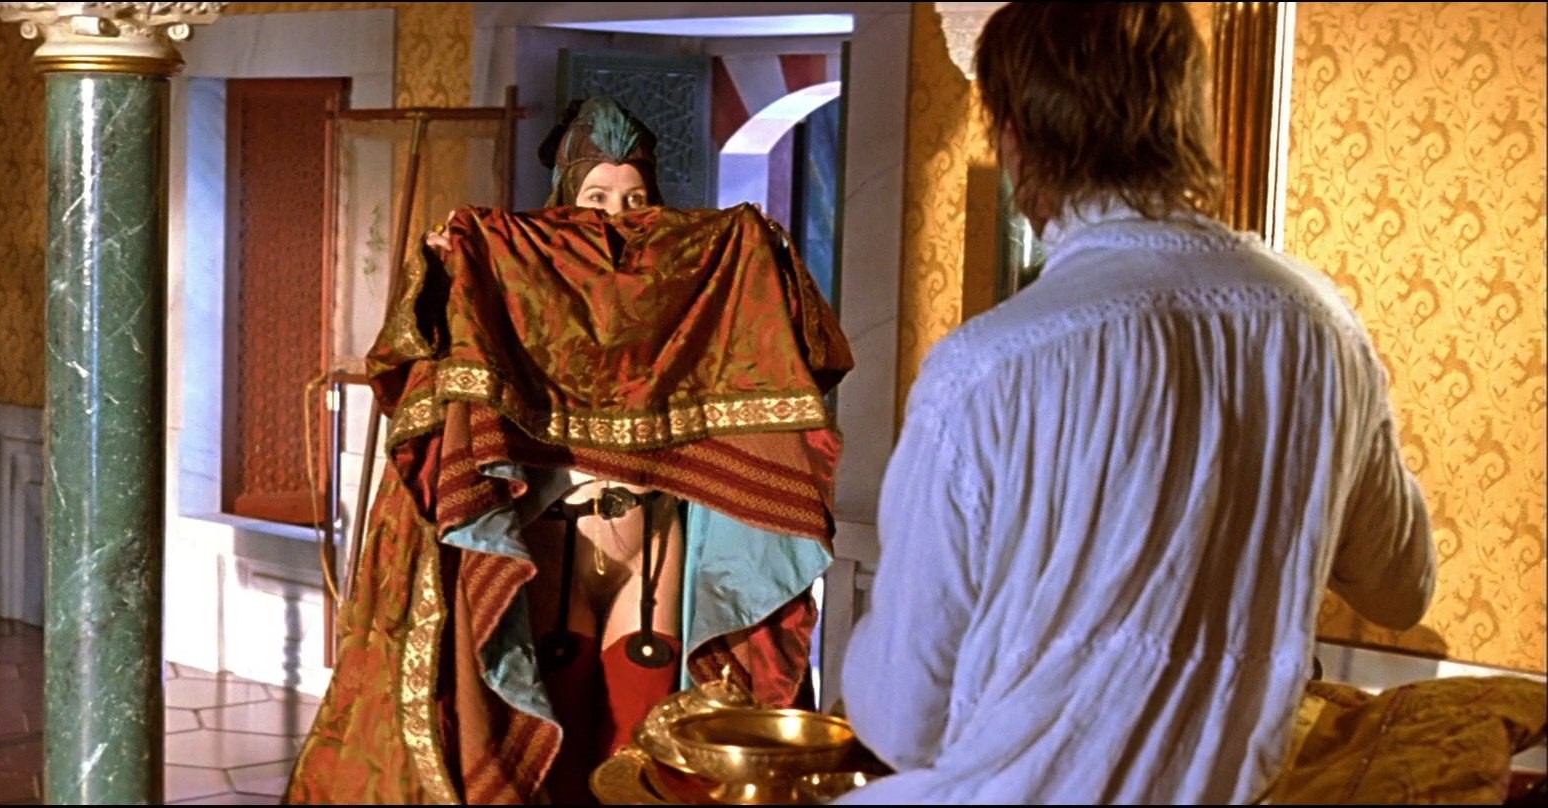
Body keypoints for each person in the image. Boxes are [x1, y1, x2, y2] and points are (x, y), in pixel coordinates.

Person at [835, 3, 1435, 804]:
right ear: (1184, 115)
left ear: (1017, 135)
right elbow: (1402, 587)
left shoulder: (987, 369)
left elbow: (903, 717)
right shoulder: (1322, 329)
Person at [288, 96, 853, 805]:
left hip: (652, 534)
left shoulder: (689, 290)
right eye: (597, 198)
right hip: (557, 534)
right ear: (563, 202)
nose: (615, 217)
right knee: (555, 720)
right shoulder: (518, 278)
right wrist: (447, 273)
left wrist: (767, 259)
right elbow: (424, 364)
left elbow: (796, 351)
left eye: (635, 199)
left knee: (645, 721)